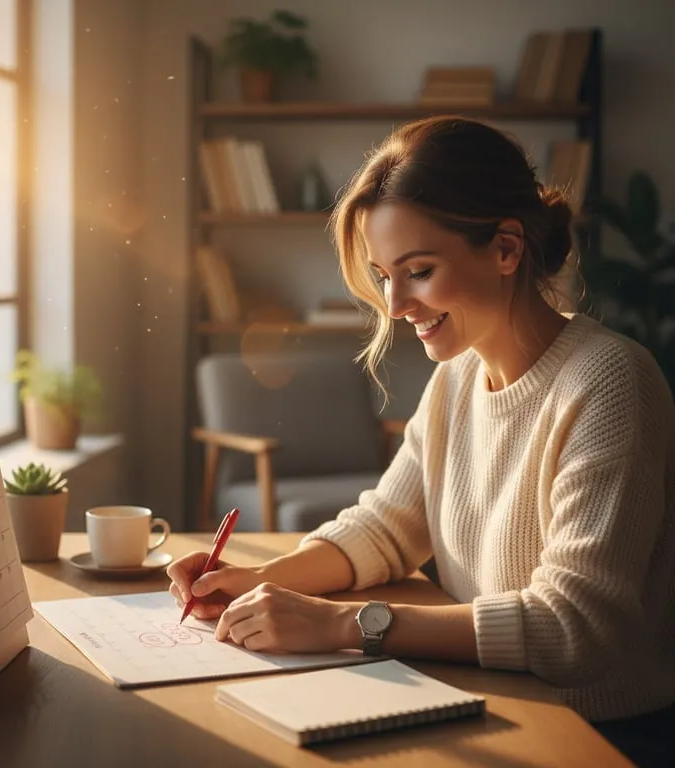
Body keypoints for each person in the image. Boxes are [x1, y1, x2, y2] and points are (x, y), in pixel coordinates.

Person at [169, 116, 675, 766]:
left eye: (420, 271)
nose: (395, 304)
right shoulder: (457, 376)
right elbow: (386, 527)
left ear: (506, 249)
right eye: (384, 275)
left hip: (599, 734)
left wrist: (341, 623)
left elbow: (576, 630)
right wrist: (257, 581)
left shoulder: (609, 382)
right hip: (493, 702)